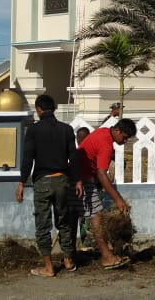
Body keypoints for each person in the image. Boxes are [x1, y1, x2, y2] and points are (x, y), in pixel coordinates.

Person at [15, 94, 80, 277]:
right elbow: (73, 157)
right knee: (64, 221)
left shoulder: (34, 131)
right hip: (62, 180)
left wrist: (21, 182)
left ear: (38, 109)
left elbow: (28, 158)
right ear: (55, 108)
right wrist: (78, 180)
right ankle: (68, 260)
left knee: (43, 224)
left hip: (42, 181)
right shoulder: (66, 130)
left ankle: (49, 267)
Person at [75, 118, 136, 270]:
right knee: (96, 216)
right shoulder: (106, 143)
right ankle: (106, 256)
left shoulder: (102, 132)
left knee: (78, 216)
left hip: (79, 176)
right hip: (81, 179)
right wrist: (118, 200)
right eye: (125, 137)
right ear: (117, 131)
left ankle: (71, 257)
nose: (125, 141)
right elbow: (102, 174)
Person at [74, 126, 93, 251]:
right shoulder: (81, 153)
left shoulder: (77, 153)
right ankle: (84, 241)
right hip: (84, 188)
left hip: (85, 188)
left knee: (85, 216)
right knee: (87, 216)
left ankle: (84, 241)